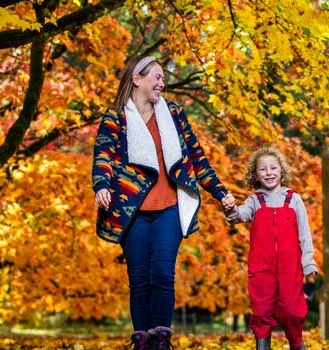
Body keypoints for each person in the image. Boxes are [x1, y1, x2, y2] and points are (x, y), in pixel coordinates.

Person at [92, 55, 236, 350]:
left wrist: (221, 193)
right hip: (132, 211)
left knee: (162, 274)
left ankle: (161, 340)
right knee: (140, 278)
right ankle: (142, 340)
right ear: (137, 79)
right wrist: (102, 185)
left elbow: (196, 157)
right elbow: (103, 155)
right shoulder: (116, 117)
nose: (162, 82)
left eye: (162, 78)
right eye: (156, 77)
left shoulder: (174, 113)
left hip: (169, 207)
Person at [225, 147, 318, 350]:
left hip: (290, 269)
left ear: (282, 171)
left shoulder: (294, 199)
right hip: (261, 269)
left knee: (293, 310)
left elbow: (305, 234)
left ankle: (297, 344)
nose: (269, 173)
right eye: (263, 169)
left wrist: (308, 262)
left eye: (273, 168)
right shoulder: (255, 201)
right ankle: (262, 345)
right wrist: (231, 208)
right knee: (261, 310)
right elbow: (238, 216)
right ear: (255, 174)